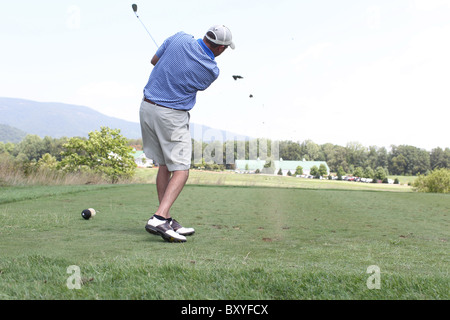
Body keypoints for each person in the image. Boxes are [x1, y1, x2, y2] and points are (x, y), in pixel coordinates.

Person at [140, 25, 235, 243]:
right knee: (181, 170)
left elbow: (155, 61)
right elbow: (194, 85)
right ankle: (159, 217)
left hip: (147, 108)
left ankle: (166, 217)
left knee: (164, 165)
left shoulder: (179, 37)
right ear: (220, 49)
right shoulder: (211, 70)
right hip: (171, 116)